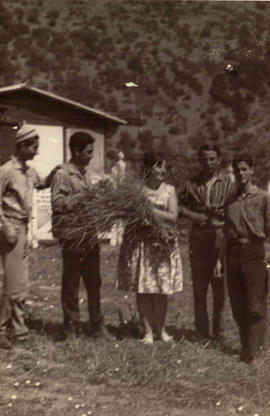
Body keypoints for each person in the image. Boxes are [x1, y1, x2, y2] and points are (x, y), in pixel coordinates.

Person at [116, 150, 183, 344]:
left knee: (161, 289)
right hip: (142, 245)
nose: (164, 170)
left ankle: (161, 331)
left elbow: (173, 216)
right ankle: (147, 332)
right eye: (159, 166)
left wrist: (151, 210)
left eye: (164, 166)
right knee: (144, 288)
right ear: (148, 168)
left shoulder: (169, 190)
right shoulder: (138, 190)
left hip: (162, 245)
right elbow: (129, 217)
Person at [0, 125, 55, 349]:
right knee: (13, 283)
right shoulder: (6, 171)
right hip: (10, 229)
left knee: (21, 282)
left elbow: (42, 183)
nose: (37, 151)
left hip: (23, 228)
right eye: (34, 146)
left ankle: (20, 331)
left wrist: (56, 172)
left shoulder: (29, 171)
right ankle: (3, 330)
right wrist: (5, 226)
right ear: (22, 146)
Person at [214, 153, 270, 363]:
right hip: (233, 254)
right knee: (238, 304)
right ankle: (246, 347)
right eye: (237, 170)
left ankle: (254, 352)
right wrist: (220, 259)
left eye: (244, 169)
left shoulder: (263, 198)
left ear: (252, 170)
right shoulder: (230, 200)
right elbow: (227, 232)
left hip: (255, 252)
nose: (241, 173)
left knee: (255, 304)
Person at [178, 143, 234, 343]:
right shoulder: (191, 183)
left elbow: (233, 210)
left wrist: (219, 214)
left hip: (219, 237)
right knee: (199, 288)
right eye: (203, 159)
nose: (208, 163)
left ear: (218, 160)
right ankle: (202, 332)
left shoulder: (228, 184)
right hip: (198, 238)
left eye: (212, 159)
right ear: (199, 160)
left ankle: (219, 332)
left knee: (220, 287)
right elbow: (178, 206)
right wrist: (194, 216)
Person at [50, 131, 104, 339]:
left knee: (94, 282)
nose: (92, 155)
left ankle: (97, 326)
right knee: (71, 283)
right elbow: (57, 205)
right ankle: (71, 329)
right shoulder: (62, 174)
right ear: (76, 150)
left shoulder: (88, 174)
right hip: (73, 235)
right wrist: (83, 196)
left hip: (90, 233)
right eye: (89, 152)